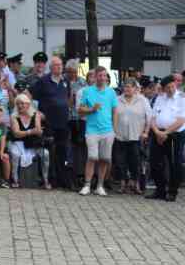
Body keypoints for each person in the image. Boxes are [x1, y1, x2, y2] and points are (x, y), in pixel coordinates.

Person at [147, 75, 185, 202]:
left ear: (175, 84)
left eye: (172, 86)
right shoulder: (160, 98)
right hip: (158, 133)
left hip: (174, 135)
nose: (170, 89)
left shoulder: (182, 98)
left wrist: (165, 133)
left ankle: (172, 191)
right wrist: (157, 132)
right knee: (154, 162)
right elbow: (153, 117)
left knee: (174, 164)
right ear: (163, 88)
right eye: (167, 88)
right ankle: (160, 190)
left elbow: (181, 120)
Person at [78, 66, 118, 196]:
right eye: (100, 75)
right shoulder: (87, 91)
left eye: (104, 75)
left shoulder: (111, 92)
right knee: (92, 157)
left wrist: (114, 130)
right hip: (92, 130)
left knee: (105, 159)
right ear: (95, 77)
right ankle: (87, 185)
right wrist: (91, 109)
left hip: (108, 130)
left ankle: (100, 186)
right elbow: (80, 110)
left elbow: (115, 112)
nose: (102, 78)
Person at [31, 56, 70, 188]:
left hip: (63, 123)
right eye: (56, 65)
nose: (59, 67)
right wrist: (37, 112)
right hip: (48, 122)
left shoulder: (65, 81)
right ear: (51, 67)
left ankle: (62, 179)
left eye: (60, 65)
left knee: (62, 151)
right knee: (50, 151)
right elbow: (30, 96)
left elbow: (67, 98)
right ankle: (50, 179)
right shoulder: (43, 81)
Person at [113, 78, 151, 194]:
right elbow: (112, 116)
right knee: (120, 162)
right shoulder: (117, 100)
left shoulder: (142, 100)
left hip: (136, 136)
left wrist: (146, 132)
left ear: (135, 88)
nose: (127, 89)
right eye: (125, 86)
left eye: (130, 86)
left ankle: (136, 184)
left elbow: (149, 117)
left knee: (136, 162)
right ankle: (123, 183)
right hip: (120, 135)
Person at [9, 93, 50, 189]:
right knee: (15, 154)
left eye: (22, 103)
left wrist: (36, 132)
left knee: (46, 154)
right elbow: (16, 133)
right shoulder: (14, 116)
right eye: (18, 104)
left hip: (32, 143)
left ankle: (45, 179)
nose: (20, 106)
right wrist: (30, 131)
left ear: (28, 104)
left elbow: (38, 130)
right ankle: (15, 179)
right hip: (17, 142)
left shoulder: (36, 115)